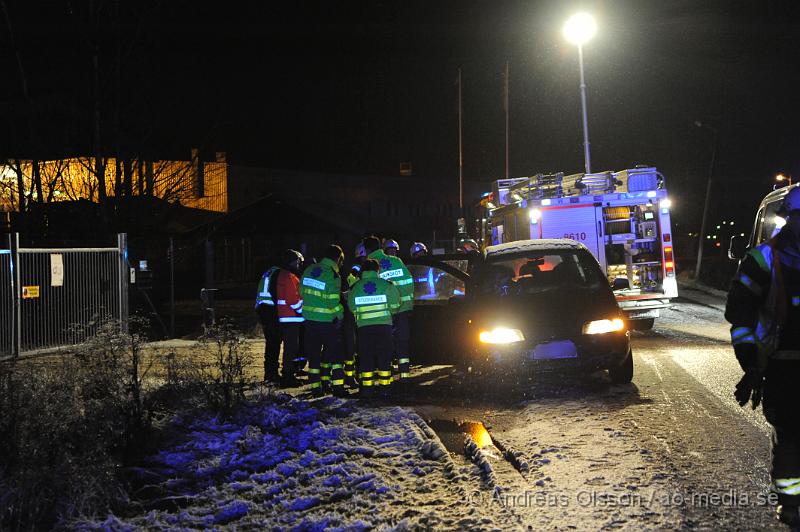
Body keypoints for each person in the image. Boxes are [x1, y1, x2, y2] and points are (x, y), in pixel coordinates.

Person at [725, 186, 800, 526]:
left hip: (781, 368)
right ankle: (791, 503)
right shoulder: (762, 259)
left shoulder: (763, 257)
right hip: (783, 366)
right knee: (790, 434)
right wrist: (751, 366)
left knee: (790, 435)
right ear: (791, 220)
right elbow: (740, 317)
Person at [363, 236, 415, 386]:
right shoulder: (396, 261)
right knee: (402, 343)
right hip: (402, 310)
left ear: (366, 250)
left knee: (384, 345)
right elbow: (409, 283)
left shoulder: (369, 266)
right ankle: (405, 376)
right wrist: (408, 305)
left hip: (384, 314)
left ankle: (387, 377)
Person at [348, 258, 401, 400]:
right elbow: (396, 306)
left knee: (366, 359)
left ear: (363, 271)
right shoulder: (387, 285)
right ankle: (385, 390)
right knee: (384, 358)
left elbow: (352, 308)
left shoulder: (355, 287)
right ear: (378, 270)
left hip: (364, 330)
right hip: (384, 328)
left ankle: (367, 390)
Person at [300, 244, 346, 397]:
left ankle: (316, 388)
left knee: (313, 355)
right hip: (326, 321)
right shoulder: (332, 275)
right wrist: (340, 315)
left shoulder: (309, 270)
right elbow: (333, 301)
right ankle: (338, 387)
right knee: (335, 354)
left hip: (309, 321)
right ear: (338, 258)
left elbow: (301, 292)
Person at [275, 249, 305, 387]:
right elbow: (293, 299)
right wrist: (302, 311)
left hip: (286, 316)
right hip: (292, 317)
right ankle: (288, 376)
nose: (299, 264)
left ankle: (288, 374)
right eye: (298, 262)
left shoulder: (283, 274)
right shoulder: (290, 276)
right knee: (291, 348)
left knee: (290, 348)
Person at [255, 262, 281, 383]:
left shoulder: (269, 271)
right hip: (270, 310)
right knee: (273, 344)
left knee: (271, 343)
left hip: (263, 308)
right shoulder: (278, 273)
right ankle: (271, 375)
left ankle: (270, 373)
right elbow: (276, 293)